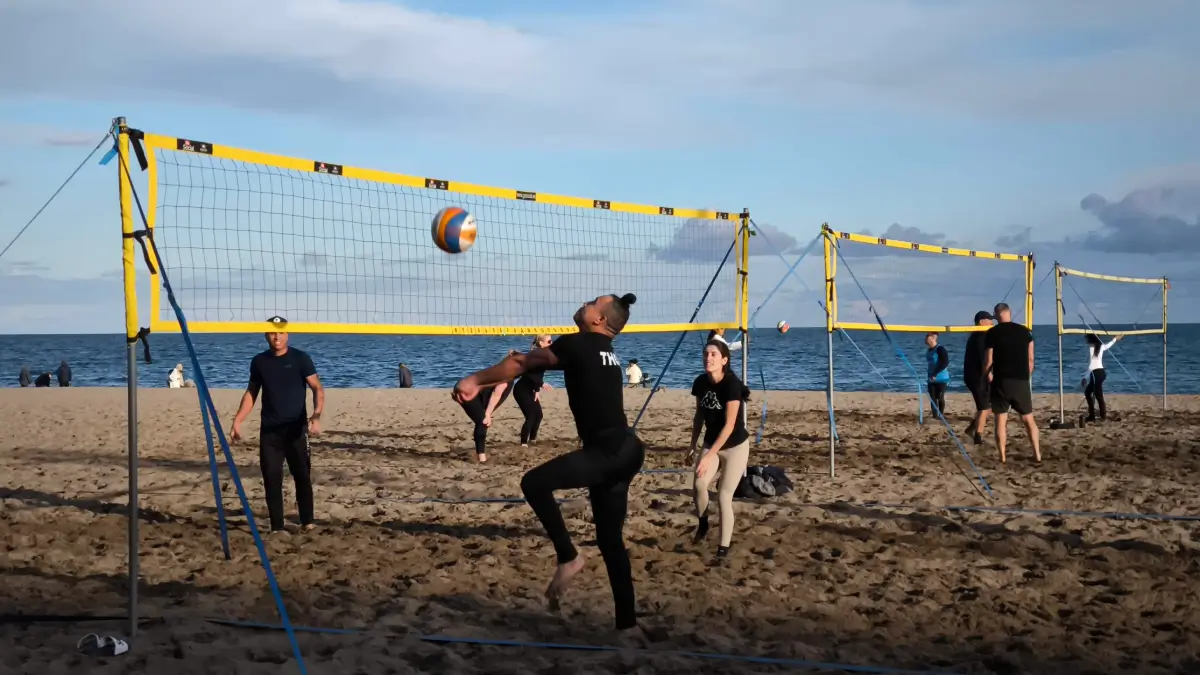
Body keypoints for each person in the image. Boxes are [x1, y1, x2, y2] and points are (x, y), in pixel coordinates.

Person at [452, 293, 644, 632]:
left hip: (609, 450)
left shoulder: (581, 343)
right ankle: (626, 624)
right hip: (624, 448)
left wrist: (474, 380)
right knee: (609, 539)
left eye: (592, 303)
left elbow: (522, 364)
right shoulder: (606, 351)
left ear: (599, 320)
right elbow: (530, 363)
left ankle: (569, 557)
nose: (584, 303)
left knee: (534, 483)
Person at [231, 316, 325, 534]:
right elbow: (251, 392)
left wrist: (316, 415)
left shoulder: (301, 358)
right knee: (271, 479)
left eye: (281, 332)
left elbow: (317, 388)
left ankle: (307, 522)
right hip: (270, 432)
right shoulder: (259, 361)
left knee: (302, 476)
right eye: (273, 333)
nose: (277, 337)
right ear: (266, 335)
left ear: (287, 334)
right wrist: (238, 420)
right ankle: (277, 527)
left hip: (296, 430)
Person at [688, 339, 751, 560]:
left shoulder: (732, 385)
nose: (708, 357)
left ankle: (722, 550)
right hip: (711, 442)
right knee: (699, 484)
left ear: (724, 360)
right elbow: (699, 417)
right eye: (706, 353)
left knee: (724, 496)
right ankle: (703, 523)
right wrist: (692, 446)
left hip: (734, 446)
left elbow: (730, 425)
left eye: (714, 354)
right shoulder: (700, 383)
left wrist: (710, 455)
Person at [983, 302, 1040, 463]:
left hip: (1002, 380)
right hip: (1021, 380)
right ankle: (1037, 454)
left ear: (996, 315)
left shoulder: (992, 333)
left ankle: (1002, 457)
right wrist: (1025, 375)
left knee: (1001, 420)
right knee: (1028, 419)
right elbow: (1031, 359)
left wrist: (986, 376)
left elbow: (988, 361)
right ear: (1009, 313)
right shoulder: (1025, 332)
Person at [456, 350, 517, 463]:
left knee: (481, 422)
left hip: (466, 392)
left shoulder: (502, 370)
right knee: (483, 422)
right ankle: (481, 457)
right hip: (469, 395)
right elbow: (496, 394)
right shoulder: (505, 376)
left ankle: (480, 454)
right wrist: (488, 414)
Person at [513, 335, 553, 446]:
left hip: (530, 390)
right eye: (549, 341)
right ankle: (523, 442)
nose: (551, 343)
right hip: (521, 390)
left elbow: (539, 374)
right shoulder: (535, 356)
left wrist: (537, 390)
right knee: (531, 416)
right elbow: (529, 373)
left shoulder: (543, 355)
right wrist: (541, 384)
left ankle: (533, 440)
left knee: (539, 415)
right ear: (541, 343)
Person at [963, 311, 994, 445]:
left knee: (989, 405)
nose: (992, 323)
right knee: (984, 406)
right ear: (981, 322)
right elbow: (983, 359)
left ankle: (972, 429)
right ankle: (978, 437)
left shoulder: (977, 335)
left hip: (974, 376)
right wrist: (989, 375)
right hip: (977, 377)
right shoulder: (980, 337)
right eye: (989, 320)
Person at [1082, 333, 1123, 422]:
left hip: (1097, 373)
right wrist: (1115, 338)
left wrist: (1085, 377)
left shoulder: (1092, 348)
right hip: (1098, 373)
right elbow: (1109, 345)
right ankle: (1092, 415)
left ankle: (1101, 416)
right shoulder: (1100, 346)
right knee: (1089, 392)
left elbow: (1091, 365)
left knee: (1098, 395)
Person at [924, 332, 950, 417]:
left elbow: (945, 362)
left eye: (927, 337)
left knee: (940, 397)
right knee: (933, 398)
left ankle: (941, 415)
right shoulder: (929, 350)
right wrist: (930, 375)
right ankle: (935, 415)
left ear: (932, 338)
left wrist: (935, 373)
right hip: (931, 379)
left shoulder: (940, 349)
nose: (925, 339)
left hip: (941, 378)